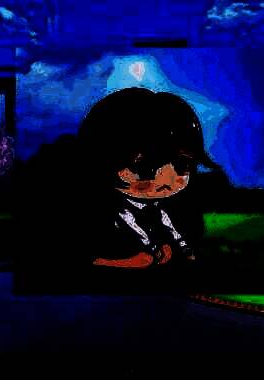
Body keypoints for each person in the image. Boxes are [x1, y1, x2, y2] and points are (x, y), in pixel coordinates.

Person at [76, 87, 220, 270]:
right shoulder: (96, 212)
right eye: (144, 169)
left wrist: (180, 249)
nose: (167, 181)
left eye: (182, 166)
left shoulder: (174, 212)